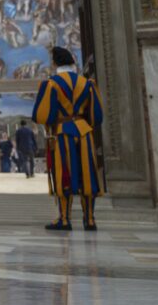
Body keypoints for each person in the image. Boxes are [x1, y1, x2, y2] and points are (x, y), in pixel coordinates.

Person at [32, 46, 104, 230]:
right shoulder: (87, 83)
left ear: (55, 63)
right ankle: (90, 219)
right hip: (84, 132)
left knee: (63, 173)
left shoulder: (51, 84)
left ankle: (64, 219)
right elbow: (96, 115)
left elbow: (42, 115)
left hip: (62, 132)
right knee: (87, 174)